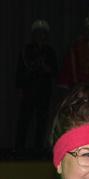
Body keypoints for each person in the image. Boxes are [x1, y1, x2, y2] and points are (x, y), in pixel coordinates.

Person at [15, 20, 58, 155]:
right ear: (34, 35)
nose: (40, 36)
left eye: (43, 33)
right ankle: (19, 149)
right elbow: (20, 70)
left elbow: (56, 72)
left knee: (42, 121)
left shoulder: (49, 52)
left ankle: (39, 150)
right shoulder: (26, 50)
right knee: (24, 120)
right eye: (38, 33)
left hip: (44, 91)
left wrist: (48, 69)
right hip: (28, 90)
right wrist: (19, 88)